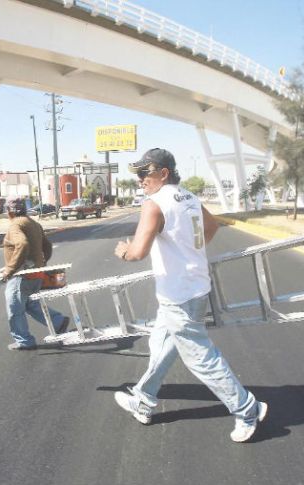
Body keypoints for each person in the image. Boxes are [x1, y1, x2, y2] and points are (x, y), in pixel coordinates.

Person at [112, 148, 267, 443]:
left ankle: (248, 408)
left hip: (179, 294)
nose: (140, 179)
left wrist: (123, 251)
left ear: (163, 173)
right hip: (194, 286)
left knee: (200, 358)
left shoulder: (154, 204)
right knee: (161, 344)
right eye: (138, 174)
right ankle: (143, 399)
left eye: (144, 173)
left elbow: (138, 252)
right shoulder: (188, 197)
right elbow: (211, 227)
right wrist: (189, 249)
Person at [2, 196, 70, 350]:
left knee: (14, 309)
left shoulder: (15, 225)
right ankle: (57, 321)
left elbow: (22, 243)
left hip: (21, 276)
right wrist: (42, 264)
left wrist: (10, 268)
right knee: (30, 304)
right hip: (36, 275)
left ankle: (24, 341)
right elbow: (48, 246)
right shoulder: (34, 223)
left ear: (9, 211)